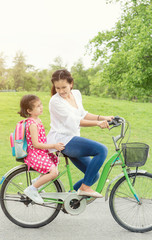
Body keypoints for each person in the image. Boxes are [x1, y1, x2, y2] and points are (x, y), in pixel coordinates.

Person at [47, 69, 113, 198]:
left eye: (64, 87)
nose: (61, 91)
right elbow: (75, 121)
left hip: (73, 139)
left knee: (93, 175)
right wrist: (97, 124)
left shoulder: (76, 94)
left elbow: (83, 114)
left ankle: (68, 198)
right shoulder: (55, 101)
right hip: (63, 140)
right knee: (102, 150)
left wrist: (102, 117)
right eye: (57, 88)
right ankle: (84, 188)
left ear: (71, 83)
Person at [18, 94, 65, 204]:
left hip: (42, 153)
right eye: (38, 106)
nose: (41, 107)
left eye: (41, 105)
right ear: (29, 110)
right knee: (53, 173)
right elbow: (36, 144)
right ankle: (32, 189)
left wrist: (54, 147)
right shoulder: (32, 124)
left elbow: (43, 139)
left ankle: (37, 182)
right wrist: (53, 146)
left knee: (55, 170)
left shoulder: (38, 120)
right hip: (35, 154)